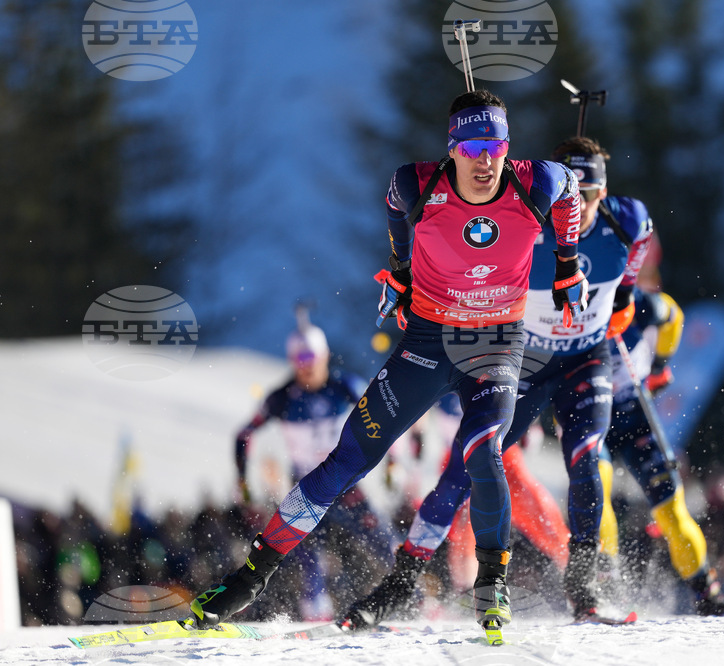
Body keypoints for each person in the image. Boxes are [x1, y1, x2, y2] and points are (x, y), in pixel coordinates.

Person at [185, 89, 587, 635]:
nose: (485, 159)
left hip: (495, 340)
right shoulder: (416, 184)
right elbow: (398, 211)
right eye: (472, 145)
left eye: (494, 143)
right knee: (347, 459)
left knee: (482, 449)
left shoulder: (536, 182)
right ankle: (250, 577)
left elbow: (570, 195)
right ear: (453, 150)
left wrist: (566, 263)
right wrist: (399, 269)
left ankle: (492, 583)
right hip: (427, 342)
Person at [339, 136, 653, 627]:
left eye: (593, 193)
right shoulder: (530, 225)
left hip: (585, 360)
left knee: (586, 455)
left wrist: (625, 300)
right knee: (466, 465)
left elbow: (633, 264)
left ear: (604, 190)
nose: (585, 205)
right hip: (524, 358)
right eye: (577, 194)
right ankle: (403, 582)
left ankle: (584, 585)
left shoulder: (628, 220)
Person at [231, 316, 394, 620]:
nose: (306, 366)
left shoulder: (344, 385)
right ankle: (316, 610)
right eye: (299, 359)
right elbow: (243, 435)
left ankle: (409, 596)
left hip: (345, 484)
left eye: (312, 358)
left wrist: (392, 463)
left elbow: (386, 416)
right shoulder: (282, 398)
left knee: (381, 540)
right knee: (306, 556)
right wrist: (242, 482)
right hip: (306, 486)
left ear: (325, 356)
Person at [601, 289, 724, 615]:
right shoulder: (569, 297)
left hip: (635, 414)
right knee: (596, 492)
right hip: (591, 414)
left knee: (671, 509)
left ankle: (708, 595)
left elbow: (672, 315)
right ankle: (603, 587)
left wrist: (660, 366)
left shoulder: (632, 299)